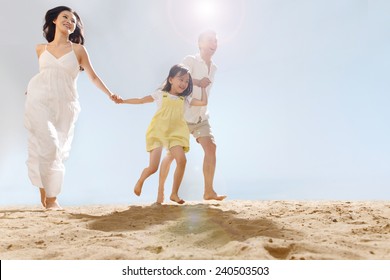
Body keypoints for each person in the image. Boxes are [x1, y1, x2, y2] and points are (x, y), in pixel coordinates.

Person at [24, 6, 119, 210]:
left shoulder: (78, 50)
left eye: (73, 20)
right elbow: (44, 75)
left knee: (55, 149)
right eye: (65, 17)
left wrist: (110, 94)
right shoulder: (41, 49)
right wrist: (31, 90)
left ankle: (45, 188)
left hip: (65, 104)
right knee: (46, 142)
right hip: (39, 99)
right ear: (54, 21)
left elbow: (92, 76)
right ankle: (52, 199)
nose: (69, 21)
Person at [116, 64, 207, 204]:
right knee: (153, 168)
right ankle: (141, 180)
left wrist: (203, 87)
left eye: (186, 81)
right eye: (180, 79)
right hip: (158, 132)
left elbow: (203, 102)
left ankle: (174, 194)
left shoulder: (186, 100)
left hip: (175, 134)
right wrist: (123, 101)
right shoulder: (160, 94)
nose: (184, 83)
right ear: (171, 79)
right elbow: (141, 100)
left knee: (182, 160)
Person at [159, 30, 226, 201]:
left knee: (211, 148)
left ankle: (209, 191)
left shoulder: (215, 68)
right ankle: (161, 192)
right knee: (172, 156)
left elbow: (205, 90)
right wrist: (198, 82)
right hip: (181, 115)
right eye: (210, 40)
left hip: (200, 116)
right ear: (200, 43)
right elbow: (179, 78)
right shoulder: (190, 60)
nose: (214, 44)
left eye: (216, 41)